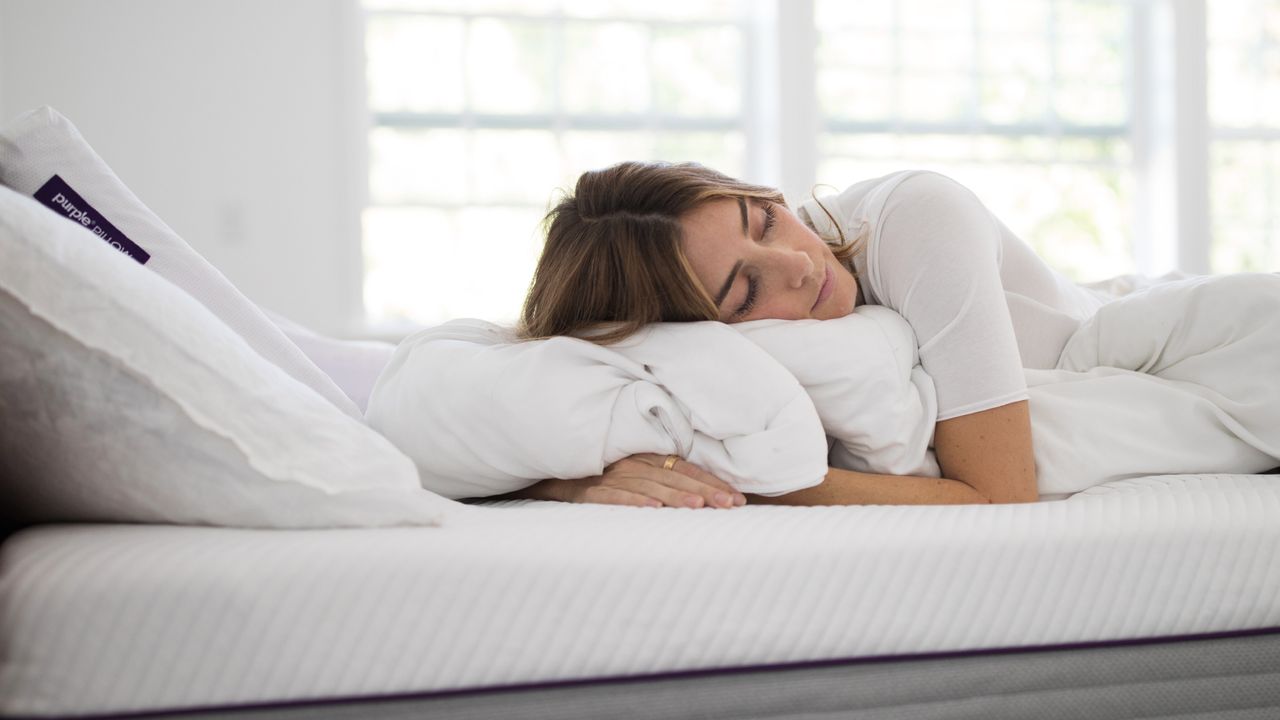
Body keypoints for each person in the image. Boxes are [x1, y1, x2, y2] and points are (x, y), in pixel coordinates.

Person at [508, 160, 1126, 509]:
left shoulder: (919, 217)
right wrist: (569, 478)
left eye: (768, 221)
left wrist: (745, 477)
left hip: (1145, 335)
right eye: (746, 291)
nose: (799, 265)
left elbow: (1001, 498)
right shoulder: (690, 361)